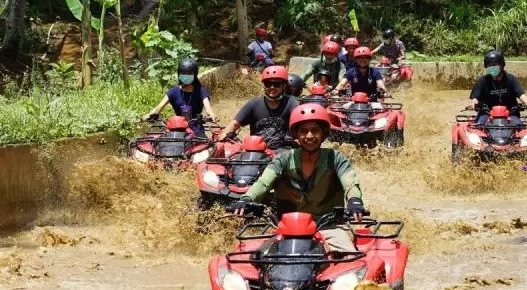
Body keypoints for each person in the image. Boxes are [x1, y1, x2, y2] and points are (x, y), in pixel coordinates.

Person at [227, 103, 366, 252]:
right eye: (304, 131)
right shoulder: (283, 159)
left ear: (324, 133)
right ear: (296, 135)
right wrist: (246, 199)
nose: (309, 136)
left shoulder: (336, 158)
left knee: (350, 260)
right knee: (256, 260)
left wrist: (354, 201)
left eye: (315, 131)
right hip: (287, 230)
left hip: (328, 228)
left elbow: (350, 183)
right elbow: (263, 183)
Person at [216, 65, 298, 150]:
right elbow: (234, 124)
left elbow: (301, 126)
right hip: (257, 153)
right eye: (268, 84)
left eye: (276, 84)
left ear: (284, 86)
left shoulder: (291, 103)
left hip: (283, 152)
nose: (272, 87)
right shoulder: (253, 104)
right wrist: (222, 137)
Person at [144, 58, 218, 135]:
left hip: (196, 128)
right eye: (183, 73)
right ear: (179, 74)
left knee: (204, 145)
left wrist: (212, 115)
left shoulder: (201, 91)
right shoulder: (173, 91)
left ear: (194, 75)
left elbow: (208, 108)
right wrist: (146, 116)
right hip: (177, 128)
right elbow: (158, 108)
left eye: (189, 73)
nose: (186, 76)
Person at [470, 50, 527, 126]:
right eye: (489, 65)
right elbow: (475, 98)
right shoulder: (482, 80)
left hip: (510, 113)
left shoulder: (511, 79)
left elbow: (520, 94)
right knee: (479, 128)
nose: (492, 67)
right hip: (487, 113)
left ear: (502, 65)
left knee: (519, 129)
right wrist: (475, 103)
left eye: (495, 65)